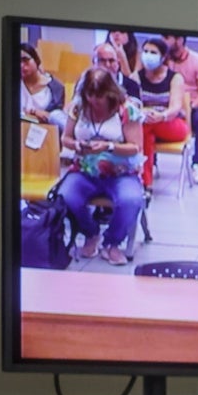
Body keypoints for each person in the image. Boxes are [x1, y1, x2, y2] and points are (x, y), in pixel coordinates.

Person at [58, 67, 145, 267]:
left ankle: (112, 243)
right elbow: (66, 139)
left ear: (110, 93)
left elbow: (135, 148)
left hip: (121, 173)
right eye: (90, 95)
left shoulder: (127, 110)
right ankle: (91, 233)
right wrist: (78, 145)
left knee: (131, 200)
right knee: (66, 196)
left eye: (100, 96)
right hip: (84, 171)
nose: (94, 100)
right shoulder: (78, 108)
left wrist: (109, 146)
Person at [136, 37, 189, 194]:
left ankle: (141, 181)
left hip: (172, 124)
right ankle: (146, 184)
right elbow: (133, 105)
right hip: (146, 123)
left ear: (163, 57)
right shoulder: (136, 77)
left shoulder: (175, 78)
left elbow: (175, 107)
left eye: (153, 52)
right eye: (145, 51)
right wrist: (143, 112)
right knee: (147, 134)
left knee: (145, 126)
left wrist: (162, 115)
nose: (148, 55)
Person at [162, 34, 198, 185]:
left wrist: (190, 108)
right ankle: (148, 164)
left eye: (169, 38)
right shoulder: (161, 60)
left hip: (191, 105)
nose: (165, 41)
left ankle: (197, 164)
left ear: (180, 40)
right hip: (166, 104)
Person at [19, 43, 67, 132]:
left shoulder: (56, 88)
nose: (21, 65)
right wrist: (33, 113)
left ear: (36, 60)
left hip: (45, 133)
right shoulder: (13, 84)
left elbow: (55, 118)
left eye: (25, 60)